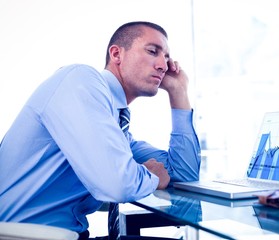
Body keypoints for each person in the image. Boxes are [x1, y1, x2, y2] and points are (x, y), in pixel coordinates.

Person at [0, 21, 201, 239]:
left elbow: (184, 175)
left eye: (167, 58)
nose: (163, 65)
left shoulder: (115, 130)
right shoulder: (79, 79)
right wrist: (151, 176)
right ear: (116, 54)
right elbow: (118, 184)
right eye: (153, 51)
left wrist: (178, 91)